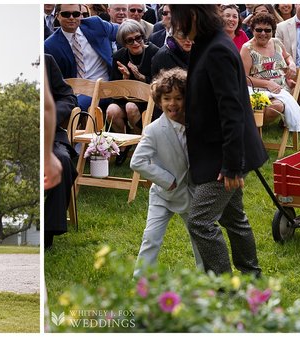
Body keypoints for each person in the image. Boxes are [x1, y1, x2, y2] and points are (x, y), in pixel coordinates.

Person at [171, 4, 267, 277]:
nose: (177, 28)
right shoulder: (207, 43)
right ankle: (252, 277)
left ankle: (225, 290)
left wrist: (232, 165)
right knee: (233, 217)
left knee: (200, 222)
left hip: (225, 155)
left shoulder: (217, 49)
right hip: (221, 150)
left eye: (179, 20)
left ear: (192, 16)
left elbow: (233, 110)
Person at [130, 68, 203, 277]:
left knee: (200, 238)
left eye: (179, 98)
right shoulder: (154, 130)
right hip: (163, 194)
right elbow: (138, 161)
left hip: (192, 194)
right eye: (167, 98)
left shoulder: (196, 123)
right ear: (159, 101)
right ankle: (141, 281)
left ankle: (207, 279)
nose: (173, 104)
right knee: (151, 237)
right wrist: (167, 180)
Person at [44, 4, 117, 125]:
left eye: (76, 14)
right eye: (66, 14)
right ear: (57, 16)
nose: (72, 17)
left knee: (74, 109)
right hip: (75, 91)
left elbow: (122, 33)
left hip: (106, 86)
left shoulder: (95, 24)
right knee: (66, 109)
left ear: (81, 15)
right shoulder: (50, 45)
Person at [241, 13, 300, 130]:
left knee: (276, 107)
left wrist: (291, 64)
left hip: (280, 88)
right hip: (256, 89)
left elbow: (287, 56)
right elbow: (244, 78)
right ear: (252, 30)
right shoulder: (247, 48)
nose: (263, 33)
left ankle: (252, 131)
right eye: (259, 30)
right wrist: (267, 84)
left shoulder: (276, 42)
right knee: (263, 107)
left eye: (267, 30)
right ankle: (253, 132)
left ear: (273, 31)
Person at [43, 54, 78, 249]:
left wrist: (51, 117)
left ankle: (48, 234)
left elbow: (68, 96)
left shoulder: (46, 61)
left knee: (63, 160)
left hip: (51, 133)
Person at [108, 19, 159, 137]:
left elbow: (159, 83)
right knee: (112, 110)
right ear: (124, 43)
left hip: (148, 99)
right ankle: (123, 145)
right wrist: (125, 78)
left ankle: (139, 140)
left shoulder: (154, 52)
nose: (135, 43)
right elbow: (114, 91)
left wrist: (141, 77)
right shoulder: (119, 56)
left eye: (138, 38)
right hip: (124, 98)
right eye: (130, 40)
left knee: (130, 107)